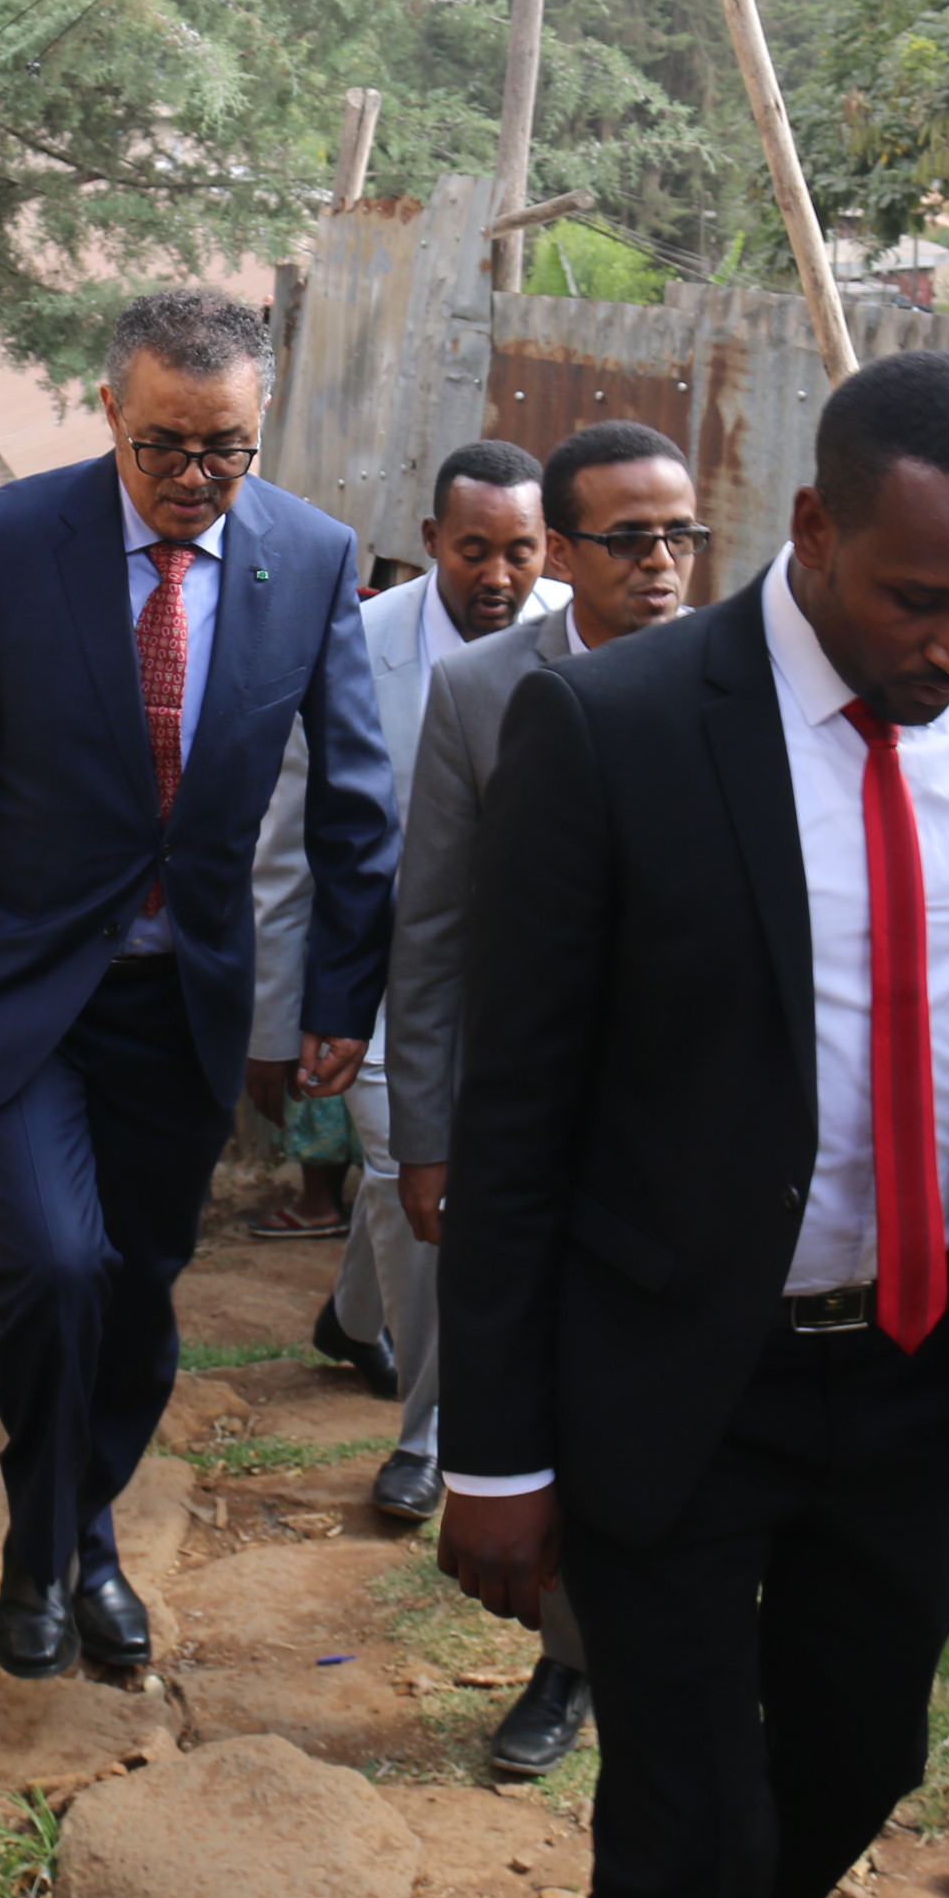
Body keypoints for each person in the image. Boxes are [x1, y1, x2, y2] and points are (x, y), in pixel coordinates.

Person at [437, 354, 949, 1898]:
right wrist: (494, 1453)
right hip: (680, 1380)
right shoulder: (609, 725)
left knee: (864, 1758)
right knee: (688, 1818)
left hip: (917, 1379)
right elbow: (517, 1115)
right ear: (809, 528)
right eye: (924, 598)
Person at [0, 288, 397, 1681]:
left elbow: (357, 799)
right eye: (168, 448)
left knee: (141, 1284)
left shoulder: (313, 559)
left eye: (229, 450)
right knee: (58, 1260)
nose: (199, 479)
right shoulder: (6, 545)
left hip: (184, 999)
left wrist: (340, 996)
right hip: (13, 992)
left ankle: (81, 1533)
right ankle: (42, 1549)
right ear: (110, 415)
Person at [379, 417, 697, 1778]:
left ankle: (658, 1654)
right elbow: (435, 925)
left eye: (682, 536)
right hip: (533, 1119)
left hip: (693, 1124)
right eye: (629, 542)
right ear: (564, 553)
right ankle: (569, 1661)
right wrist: (429, 1131)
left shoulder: (736, 679)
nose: (664, 566)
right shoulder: (483, 694)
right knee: (544, 1391)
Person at [246, 439, 568, 1512]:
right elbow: (292, 843)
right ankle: (436, 1431)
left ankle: (349, 1313)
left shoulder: (588, 635)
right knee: (418, 1184)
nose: (498, 575)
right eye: (473, 549)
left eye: (520, 551)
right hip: (384, 980)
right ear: (431, 541)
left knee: (412, 1195)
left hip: (534, 982)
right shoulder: (358, 639)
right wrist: (278, 1012)